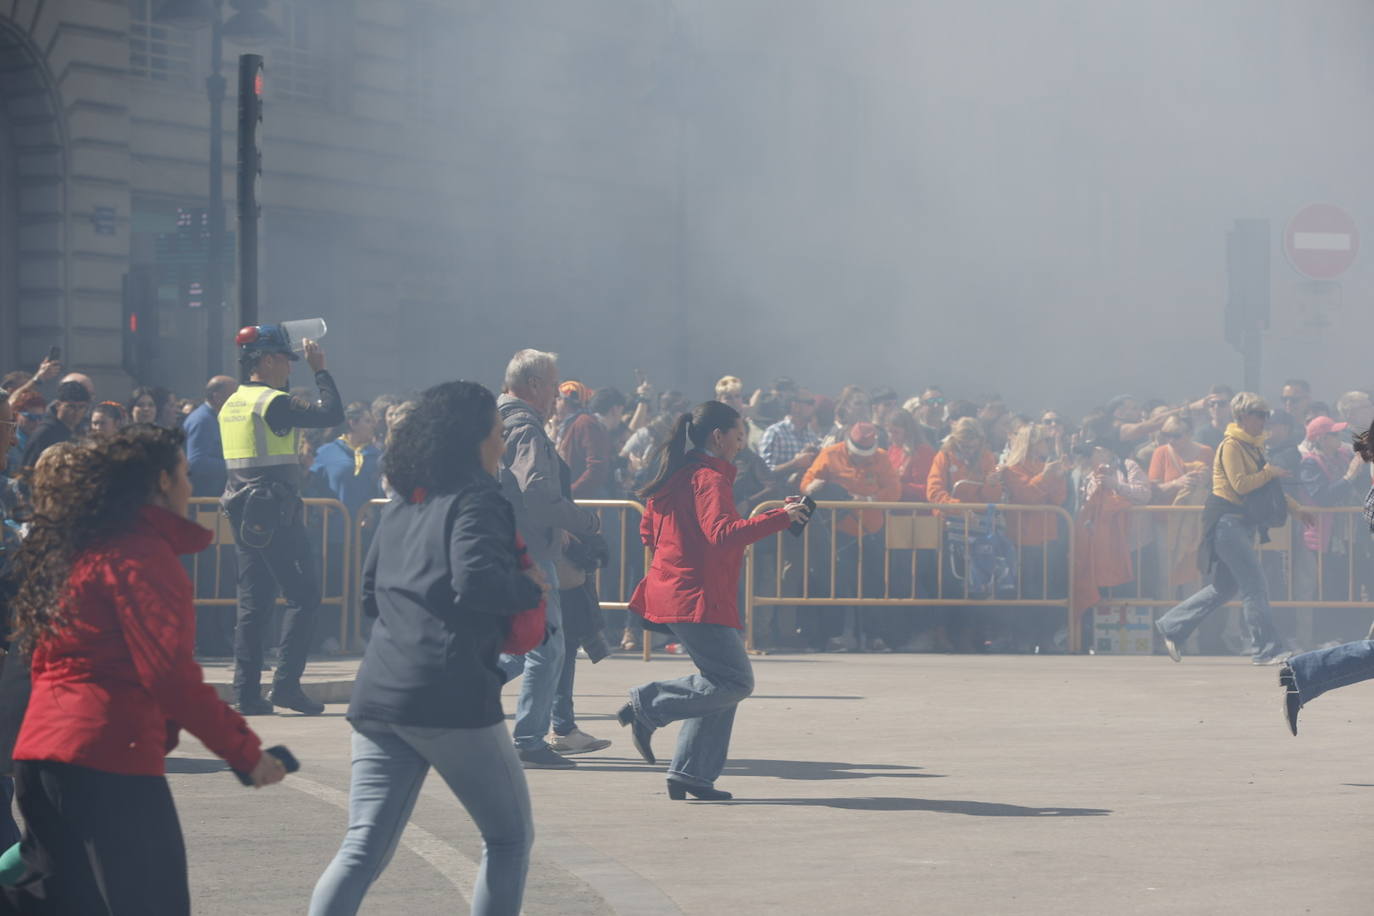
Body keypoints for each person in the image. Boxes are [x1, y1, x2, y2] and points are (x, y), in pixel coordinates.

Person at [3, 426, 284, 913]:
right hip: (108, 760)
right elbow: (171, 675)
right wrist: (244, 752)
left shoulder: (83, 549)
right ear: (160, 481)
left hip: (42, 758)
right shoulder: (141, 557)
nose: (191, 487)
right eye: (185, 474)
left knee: (57, 902)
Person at [309, 381, 541, 916]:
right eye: (498, 435)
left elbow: (370, 596)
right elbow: (478, 581)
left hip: (379, 694)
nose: (502, 446)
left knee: (362, 847)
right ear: (474, 439)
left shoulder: (401, 505)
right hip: (449, 693)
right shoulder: (478, 500)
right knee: (508, 839)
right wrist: (531, 588)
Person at [616, 401, 807, 800]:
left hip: (680, 588)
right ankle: (649, 704)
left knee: (718, 682)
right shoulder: (709, 478)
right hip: (698, 595)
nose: (741, 445)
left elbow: (648, 530)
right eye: (738, 437)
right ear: (718, 437)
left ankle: (692, 773)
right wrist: (782, 517)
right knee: (733, 680)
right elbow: (722, 533)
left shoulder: (676, 472)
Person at [219, 324, 344, 716]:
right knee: (304, 595)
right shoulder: (270, 401)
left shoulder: (233, 401)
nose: (291, 368)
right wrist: (319, 369)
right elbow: (332, 413)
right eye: (287, 361)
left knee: (253, 603)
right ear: (269, 360)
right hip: (273, 509)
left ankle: (247, 693)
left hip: (243, 507)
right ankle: (286, 686)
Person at [495, 349, 606, 769]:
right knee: (547, 648)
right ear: (537, 386)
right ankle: (529, 739)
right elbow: (538, 494)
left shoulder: (493, 420)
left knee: (528, 646)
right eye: (555, 385)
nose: (559, 396)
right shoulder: (524, 427)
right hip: (527, 554)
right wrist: (584, 521)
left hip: (508, 546)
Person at [1155, 393, 1311, 665]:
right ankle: (1265, 649)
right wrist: (1270, 472)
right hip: (1227, 522)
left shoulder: (1255, 447)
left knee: (1225, 588)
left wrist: (1296, 509)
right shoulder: (1231, 445)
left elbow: (1265, 490)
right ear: (1242, 417)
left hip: (1240, 524)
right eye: (1259, 415)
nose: (1265, 421)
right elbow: (1241, 485)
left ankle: (1172, 625)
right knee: (1254, 584)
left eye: (1266, 415)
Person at [801, 422, 902, 650]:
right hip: (838, 532)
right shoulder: (829, 454)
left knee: (874, 585)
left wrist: (867, 501)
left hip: (871, 530)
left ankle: (873, 636)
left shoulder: (882, 458)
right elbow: (806, 483)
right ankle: (835, 636)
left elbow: (894, 490)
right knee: (835, 584)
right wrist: (811, 488)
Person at [311, 402, 384, 518]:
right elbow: (311, 484)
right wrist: (319, 507)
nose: (373, 426)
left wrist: (372, 513)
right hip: (333, 527)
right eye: (367, 421)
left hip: (366, 529)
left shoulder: (377, 456)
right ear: (353, 424)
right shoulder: (327, 452)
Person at [559, 387, 625, 500]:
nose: (621, 417)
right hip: (590, 501)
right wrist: (570, 492)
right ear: (615, 409)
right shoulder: (589, 424)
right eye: (621, 412)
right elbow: (596, 469)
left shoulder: (594, 426)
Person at [183, 375, 239, 497]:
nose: (238, 400)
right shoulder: (202, 421)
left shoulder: (213, 418)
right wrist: (235, 466)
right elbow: (197, 462)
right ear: (217, 397)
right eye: (234, 395)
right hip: (203, 501)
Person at [20, 380, 89, 468]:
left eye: (81, 407)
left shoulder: (84, 430)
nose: (76, 412)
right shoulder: (44, 433)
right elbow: (26, 470)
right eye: (71, 406)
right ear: (58, 405)